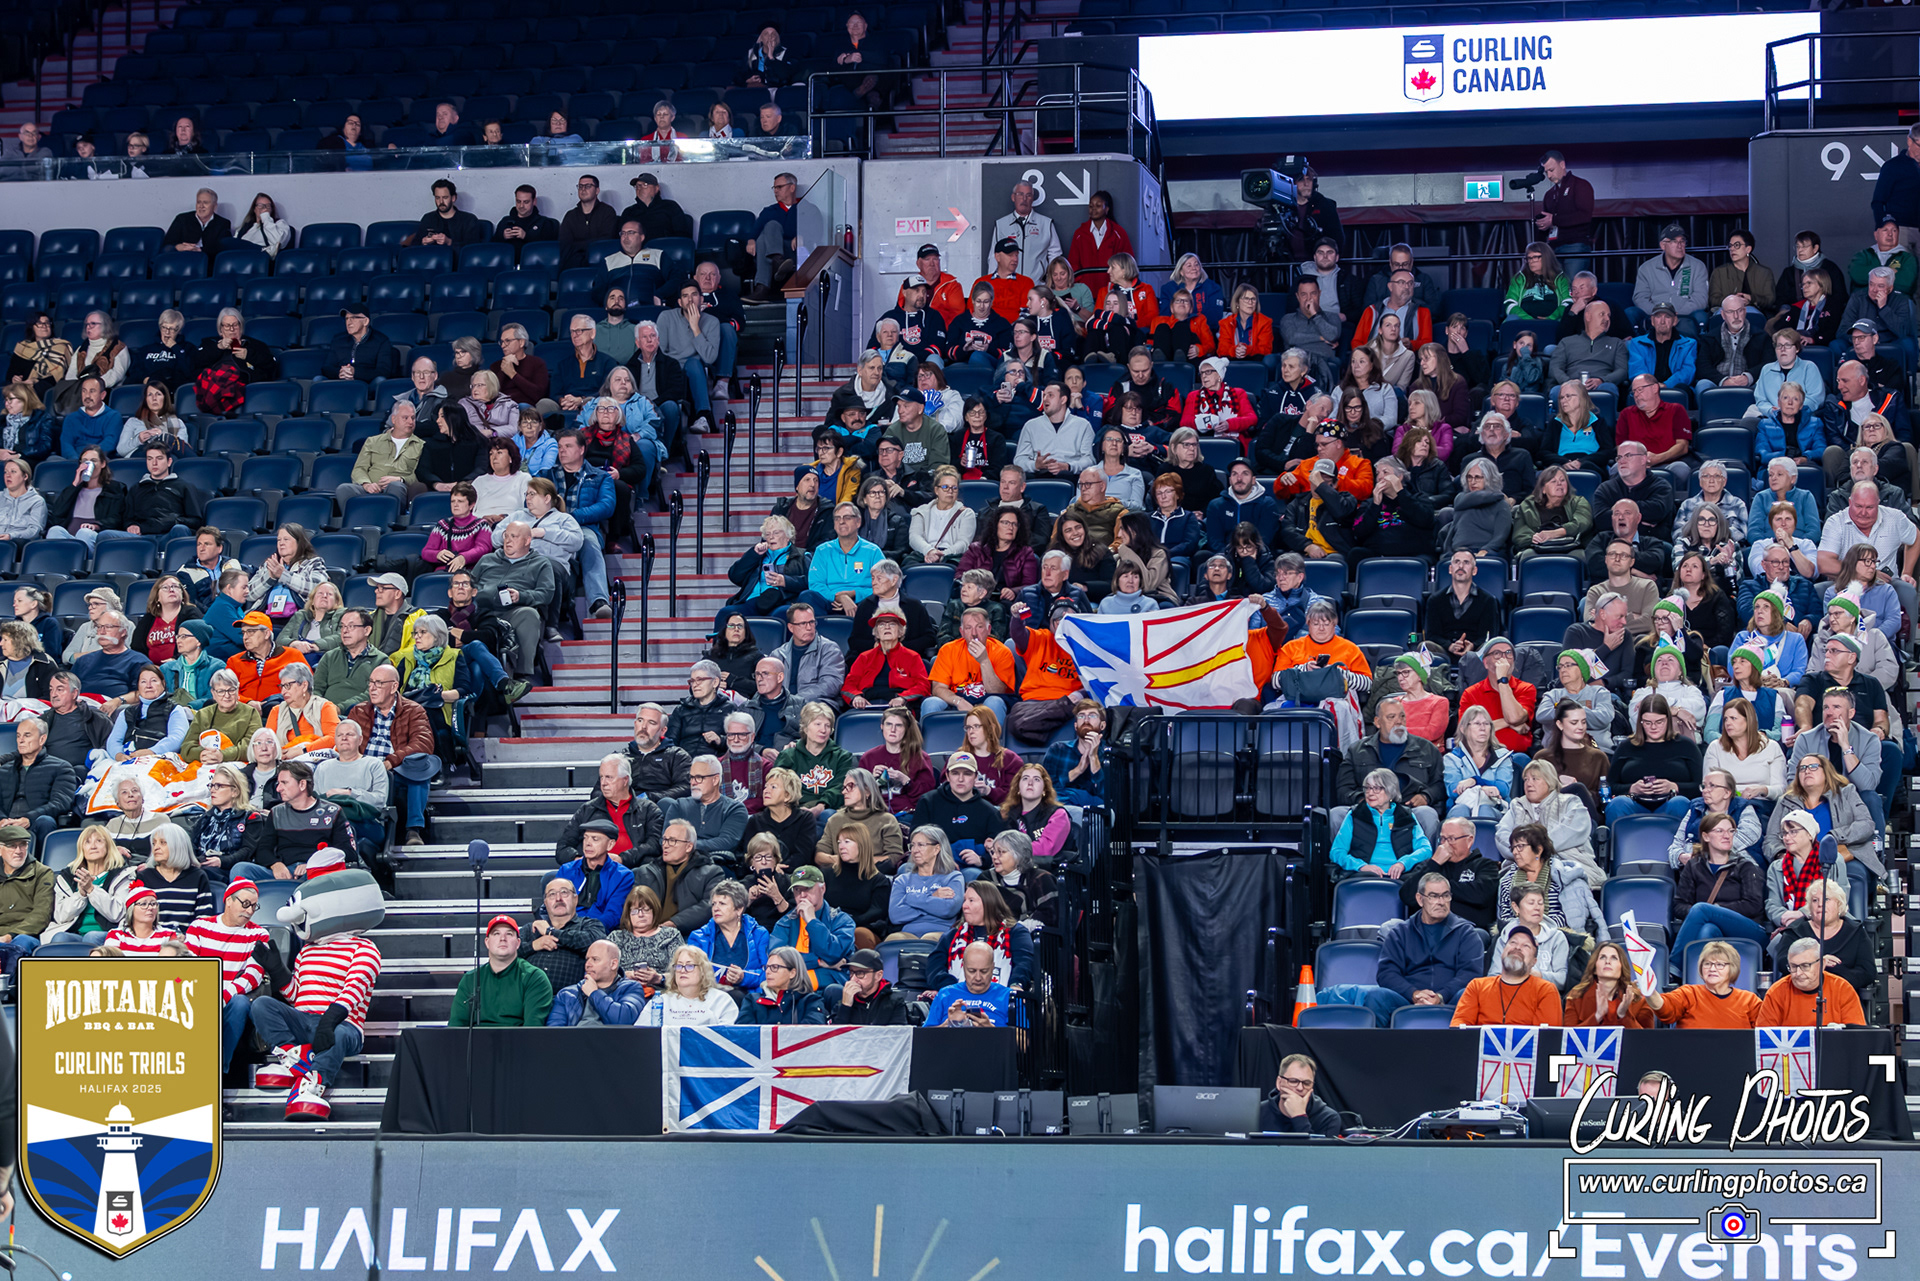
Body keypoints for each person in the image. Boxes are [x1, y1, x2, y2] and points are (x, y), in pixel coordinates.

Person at [1320, 871, 1480, 1026]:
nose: (1441, 901)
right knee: (1376, 996)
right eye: (1433, 896)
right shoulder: (1400, 932)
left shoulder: (1465, 932)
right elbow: (1387, 973)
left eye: (1445, 895)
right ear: (1420, 899)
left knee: (1468, 995)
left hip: (1450, 998)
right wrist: (1414, 994)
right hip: (1407, 999)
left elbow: (1471, 973)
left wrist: (1441, 996)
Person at [1771, 878, 1874, 998]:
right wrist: (1818, 963)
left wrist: (1832, 980)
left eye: (1826, 899)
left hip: (1841, 995)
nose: (1820, 904)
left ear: (1839, 904)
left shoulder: (1855, 931)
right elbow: (1783, 962)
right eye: (1815, 900)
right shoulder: (1795, 931)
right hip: (1800, 995)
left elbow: (1868, 972)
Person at [449, 915, 555, 1028]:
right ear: (487, 942)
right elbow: (456, 1027)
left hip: (518, 1039)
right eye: (496, 933)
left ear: (518, 943)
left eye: (509, 934)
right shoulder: (471, 979)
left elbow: (532, 1030)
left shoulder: (534, 978)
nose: (503, 938)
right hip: (476, 1040)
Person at [1452, 926, 1562, 1025]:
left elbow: (1546, 1037)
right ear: (1502, 952)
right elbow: (1459, 1029)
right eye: (1513, 942)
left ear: (1534, 961)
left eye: (1526, 946)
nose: (1517, 947)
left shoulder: (1545, 990)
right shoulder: (1477, 986)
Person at [1641, 938, 1761, 1028]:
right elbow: (1664, 1008)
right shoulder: (1689, 993)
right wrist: (1649, 991)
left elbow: (1764, 1031)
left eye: (1719, 964)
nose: (1712, 969)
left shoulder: (1749, 1000)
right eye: (1707, 964)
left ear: (1732, 968)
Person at [518, 877, 606, 992]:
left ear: (575, 899)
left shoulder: (589, 925)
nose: (558, 899)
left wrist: (551, 932)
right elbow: (508, 953)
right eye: (552, 894)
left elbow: (595, 944)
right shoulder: (532, 928)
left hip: (571, 998)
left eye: (564, 892)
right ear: (545, 903)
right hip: (529, 996)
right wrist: (534, 945)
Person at [1757, 936, 1866, 1027]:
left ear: (1822, 964)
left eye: (1805, 966)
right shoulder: (1776, 992)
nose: (1798, 973)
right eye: (1793, 966)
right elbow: (1764, 1038)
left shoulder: (1843, 989)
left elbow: (1855, 1036)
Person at [544, 938, 647, 1027]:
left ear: (613, 964)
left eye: (595, 959)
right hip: (574, 1043)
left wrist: (594, 993)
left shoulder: (631, 988)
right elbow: (555, 1033)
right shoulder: (567, 994)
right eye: (587, 959)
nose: (588, 964)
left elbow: (624, 1021)